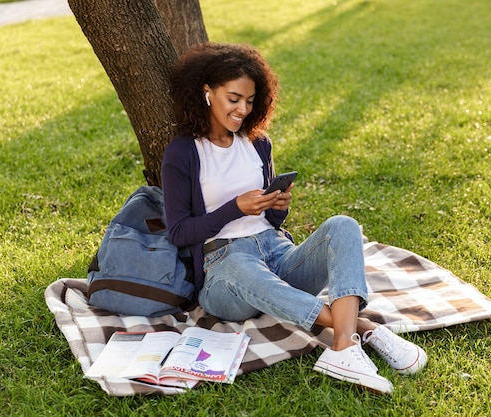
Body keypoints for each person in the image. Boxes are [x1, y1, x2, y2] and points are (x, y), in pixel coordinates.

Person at [161, 42, 427, 395]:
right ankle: (363, 328)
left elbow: (272, 223)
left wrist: (278, 206)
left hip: (274, 253)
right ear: (207, 92)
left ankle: (343, 348)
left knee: (343, 226)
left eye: (250, 100)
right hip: (225, 269)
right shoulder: (183, 152)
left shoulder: (257, 143)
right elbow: (179, 232)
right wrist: (234, 208)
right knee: (243, 268)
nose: (242, 109)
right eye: (234, 98)